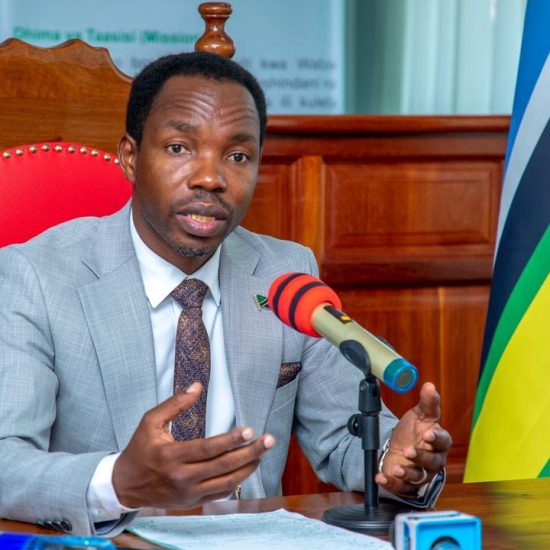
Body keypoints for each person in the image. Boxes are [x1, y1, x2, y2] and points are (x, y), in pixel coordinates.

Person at [0, 52, 451, 536]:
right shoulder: (37, 276)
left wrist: (396, 460)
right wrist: (119, 481)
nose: (211, 178)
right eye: (179, 148)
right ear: (130, 157)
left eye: (238, 156)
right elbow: (7, 460)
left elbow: (346, 437)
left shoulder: (285, 274)